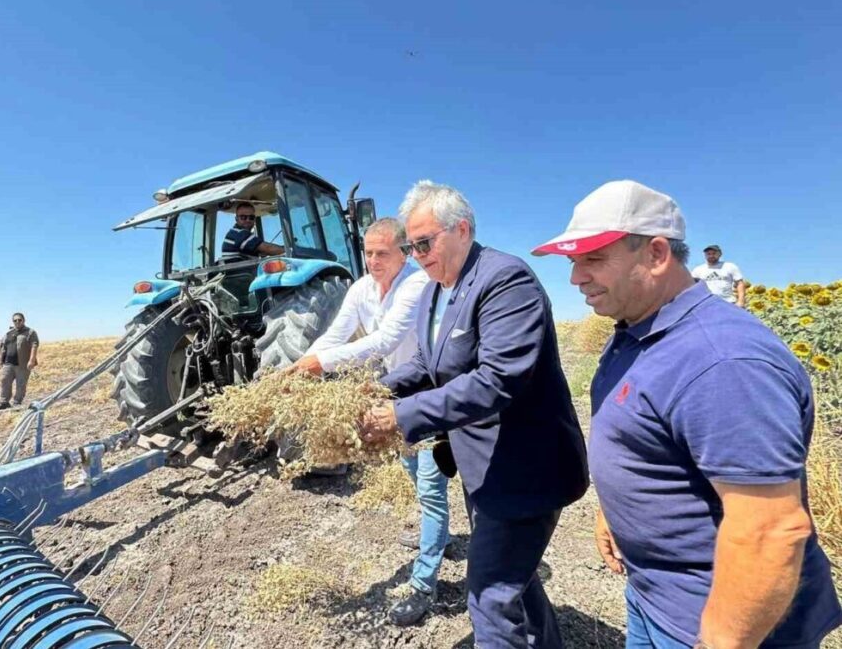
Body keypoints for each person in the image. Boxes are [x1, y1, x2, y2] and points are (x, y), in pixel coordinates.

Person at [533, 179, 841, 648]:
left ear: (657, 255)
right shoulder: (638, 330)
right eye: (574, 262)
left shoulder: (722, 360)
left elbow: (769, 531)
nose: (576, 277)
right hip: (656, 599)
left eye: (593, 259)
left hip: (725, 626)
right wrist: (617, 509)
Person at [361, 181, 588, 647]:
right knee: (515, 581)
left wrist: (399, 415)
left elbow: (498, 379)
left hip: (524, 469)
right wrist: (372, 390)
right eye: (411, 245)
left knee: (489, 596)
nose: (417, 254)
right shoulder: (433, 291)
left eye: (424, 242)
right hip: (481, 467)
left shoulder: (506, 280)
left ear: (461, 229)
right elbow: (428, 364)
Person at [288, 218, 443, 626]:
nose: (373, 261)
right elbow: (335, 334)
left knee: (430, 483)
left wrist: (322, 363)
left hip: (426, 390)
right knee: (411, 470)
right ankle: (436, 535)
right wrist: (302, 364)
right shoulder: (361, 288)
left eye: (382, 253)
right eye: (368, 253)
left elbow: (386, 340)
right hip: (391, 390)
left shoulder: (417, 284)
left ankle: (424, 583)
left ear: (403, 252)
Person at [0, 312, 40, 411]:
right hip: (8, 363)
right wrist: (0, 359)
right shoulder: (8, 333)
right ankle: (4, 402)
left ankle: (17, 402)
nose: (17, 322)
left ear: (24, 320)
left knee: (21, 384)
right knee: (4, 380)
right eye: (15, 320)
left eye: (19, 320)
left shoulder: (30, 332)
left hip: (22, 364)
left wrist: (32, 360)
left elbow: (34, 345)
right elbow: (3, 347)